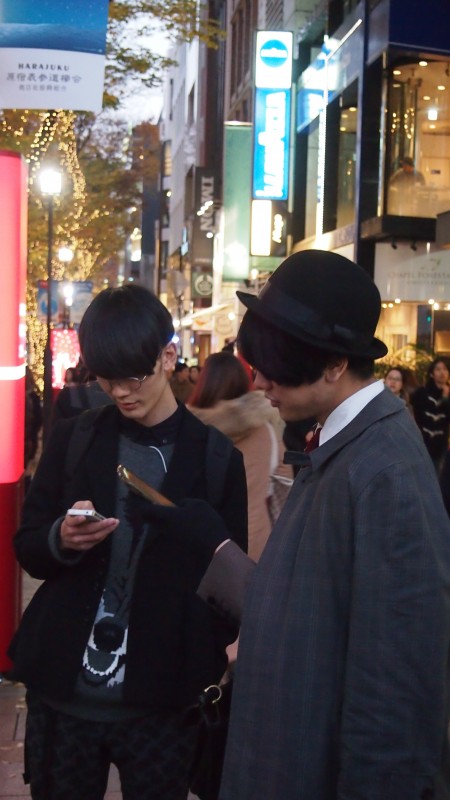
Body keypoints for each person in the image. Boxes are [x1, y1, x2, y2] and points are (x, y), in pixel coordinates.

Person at [144, 250, 450, 800]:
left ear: (334, 364)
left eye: (274, 362)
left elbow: (397, 695)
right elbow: (315, 601)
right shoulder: (339, 442)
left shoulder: (387, 471)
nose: (258, 380)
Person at [8, 284, 247, 800]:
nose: (120, 392)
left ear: (167, 356)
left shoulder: (215, 457)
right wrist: (61, 537)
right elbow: (27, 545)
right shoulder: (75, 436)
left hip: (161, 702)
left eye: (133, 377)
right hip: (62, 693)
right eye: (107, 378)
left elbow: (228, 582)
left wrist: (204, 669)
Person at [189, 351, 290, 561]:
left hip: (198, 546)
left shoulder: (188, 431)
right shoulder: (267, 434)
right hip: (253, 547)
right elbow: (285, 489)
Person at [410, 357, 450, 475]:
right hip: (421, 442)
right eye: (438, 369)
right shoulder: (421, 393)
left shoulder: (448, 394)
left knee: (437, 478)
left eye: (445, 369)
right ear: (432, 374)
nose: (442, 372)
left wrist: (445, 398)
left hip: (440, 445)